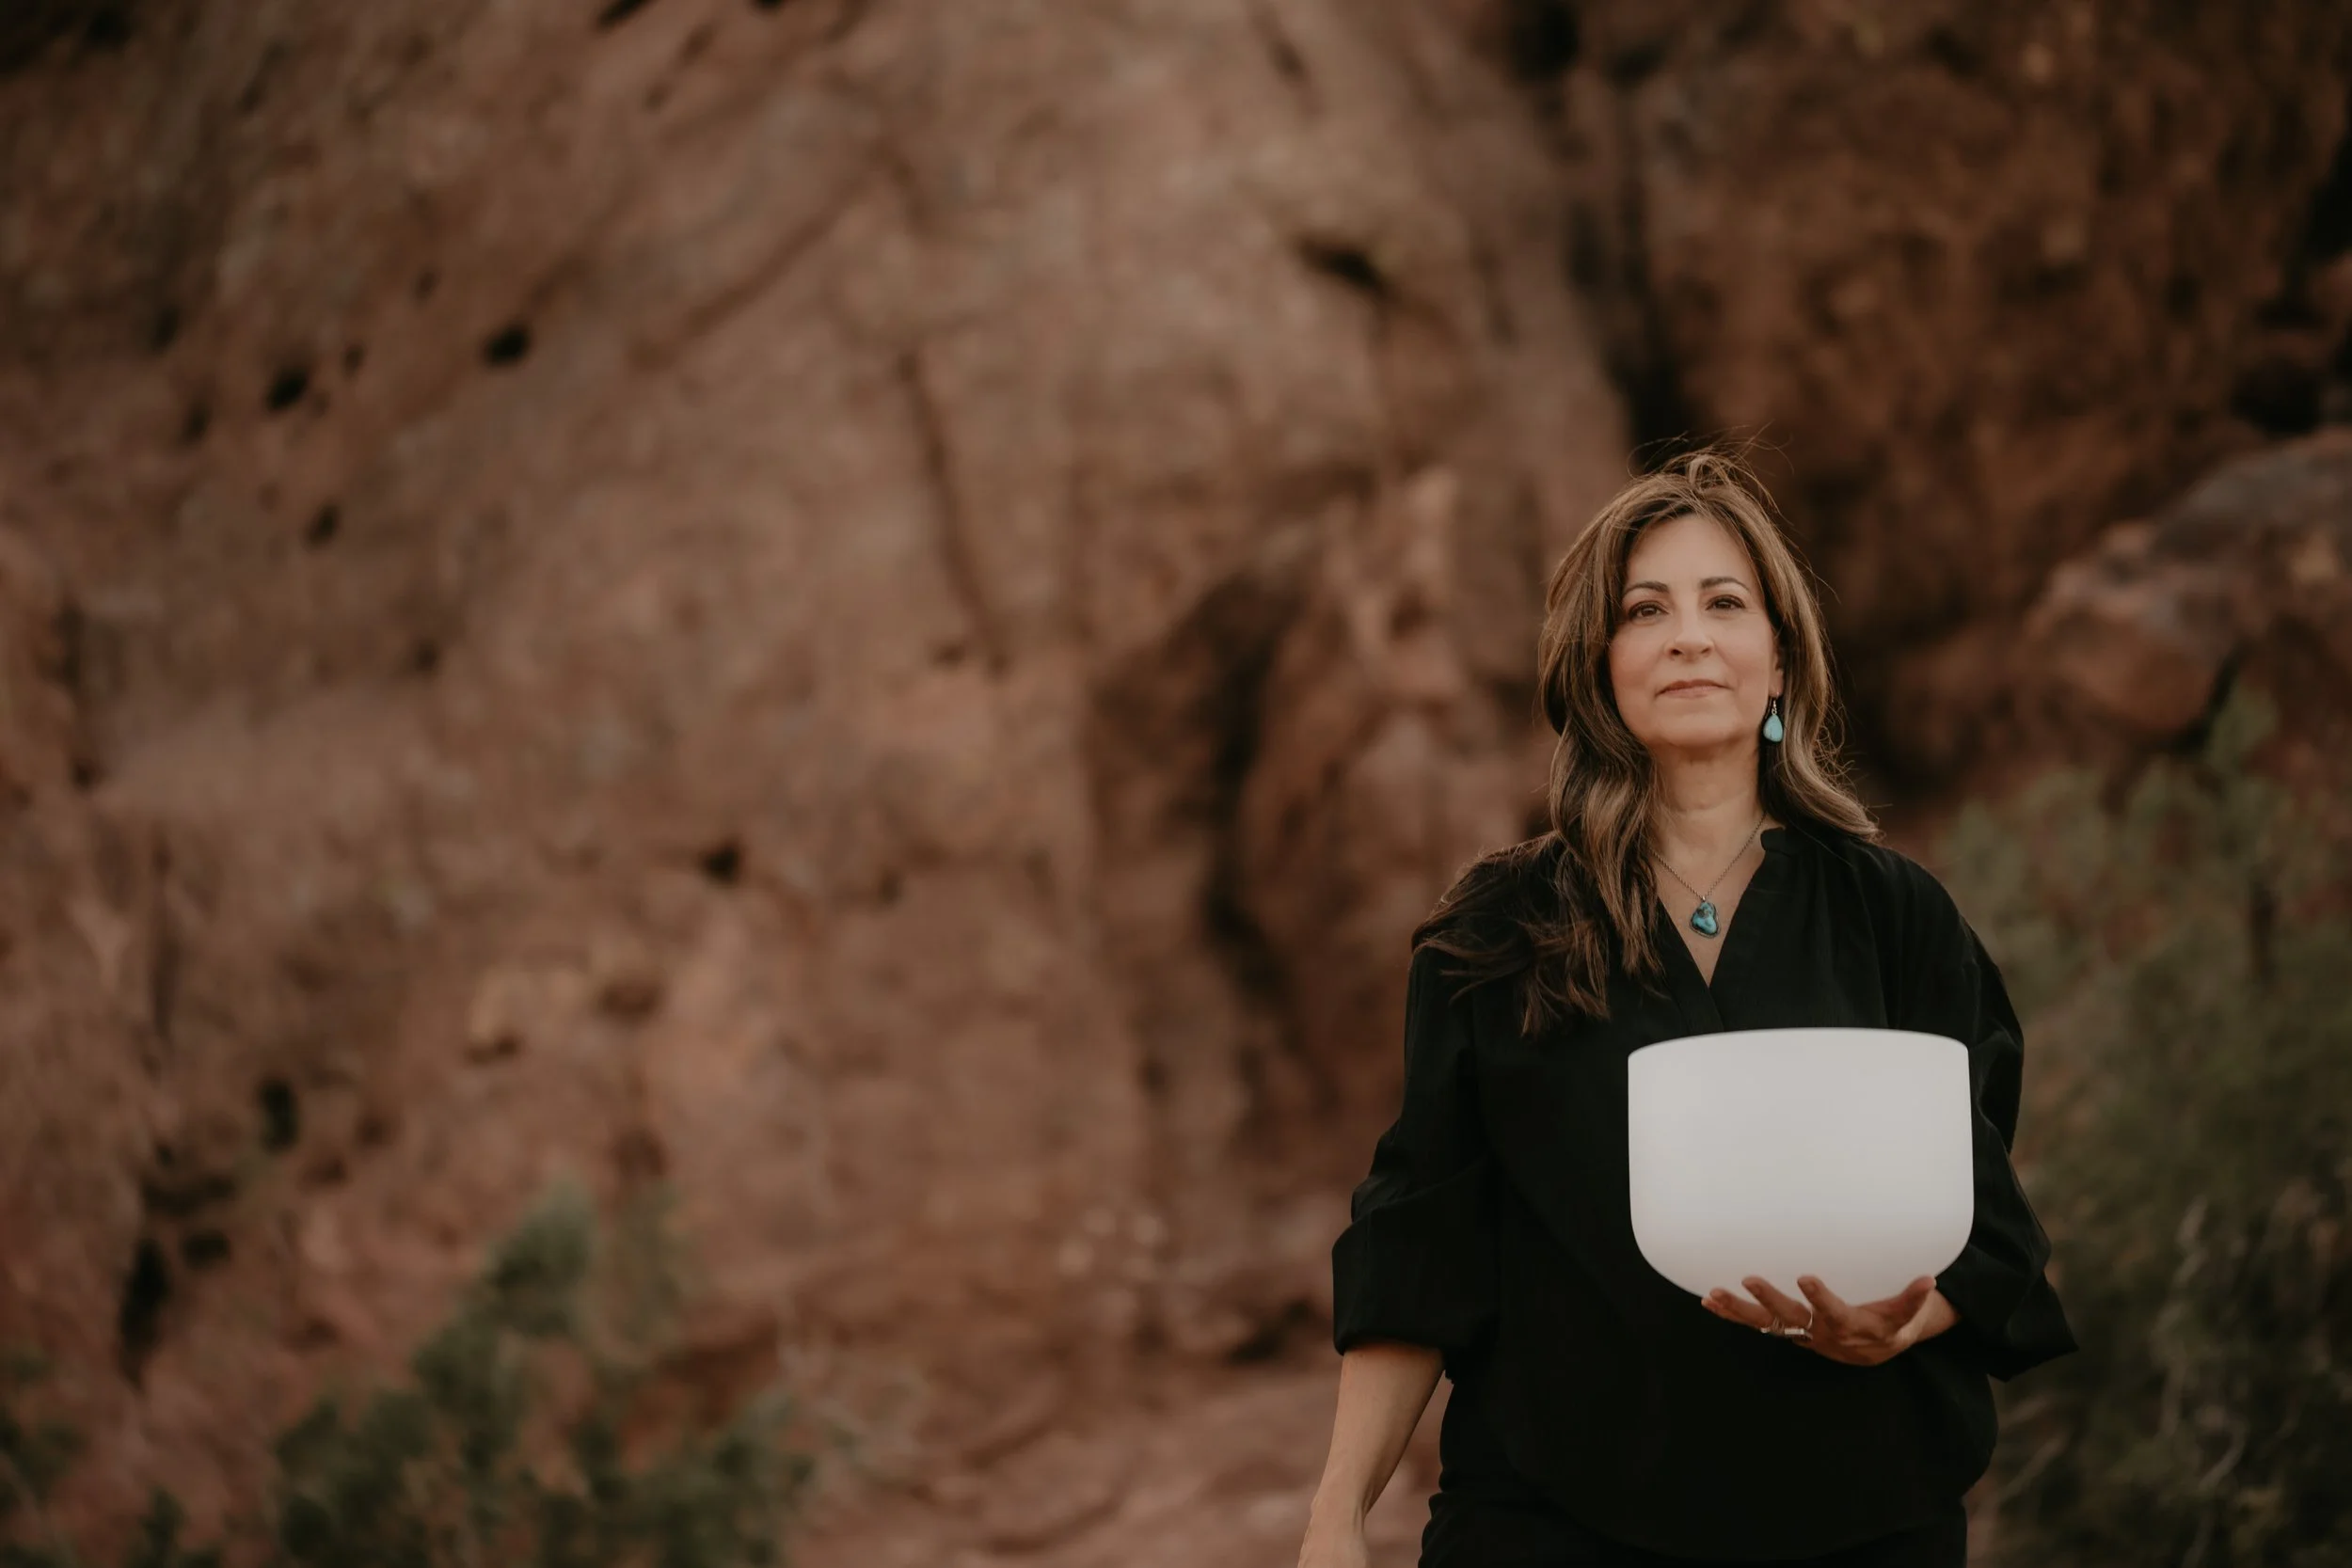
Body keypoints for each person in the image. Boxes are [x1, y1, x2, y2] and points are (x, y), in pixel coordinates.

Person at [1295, 451, 2077, 1568]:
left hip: (1852, 1511)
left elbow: (1985, 1218)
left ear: (1778, 659)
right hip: (1551, 1518)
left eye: (1725, 603)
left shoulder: (1892, 914)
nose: (1688, 635)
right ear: (1597, 662)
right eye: (1644, 609)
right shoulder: (1498, 930)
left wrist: (1910, 1316)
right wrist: (1335, 1516)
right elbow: (1421, 1243)